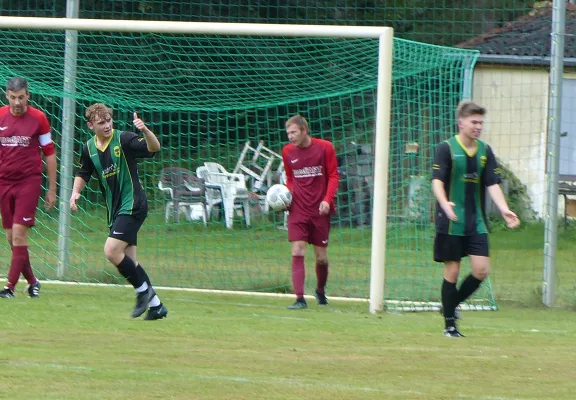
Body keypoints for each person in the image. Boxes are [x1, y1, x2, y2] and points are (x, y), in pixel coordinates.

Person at [70, 103, 167, 320]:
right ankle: (157, 306)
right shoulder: (89, 148)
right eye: (101, 122)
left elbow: (154, 147)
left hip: (133, 204)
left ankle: (143, 292)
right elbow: (84, 171)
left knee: (111, 250)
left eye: (109, 120)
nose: (107, 125)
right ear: (90, 125)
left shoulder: (123, 139)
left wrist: (145, 131)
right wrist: (75, 192)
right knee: (129, 263)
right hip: (116, 210)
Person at [432, 101, 520, 337]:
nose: (478, 126)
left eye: (481, 122)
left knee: (481, 270)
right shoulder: (446, 148)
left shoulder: (485, 150)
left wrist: (504, 209)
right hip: (451, 220)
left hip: (476, 222)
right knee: (452, 271)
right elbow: (437, 180)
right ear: (461, 122)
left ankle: (449, 305)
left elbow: (492, 183)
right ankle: (450, 325)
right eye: (474, 122)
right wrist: (444, 203)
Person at [0, 77, 57, 299]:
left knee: (19, 236)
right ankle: (33, 282)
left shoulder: (38, 119)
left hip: (28, 182)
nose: (17, 102)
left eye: (21, 97)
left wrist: (51, 189)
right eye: (13, 97)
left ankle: (9, 288)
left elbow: (50, 154)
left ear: (28, 96)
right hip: (4, 182)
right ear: (7, 96)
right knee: (11, 238)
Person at [281, 115, 339, 309]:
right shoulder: (287, 151)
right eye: (288, 133)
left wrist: (327, 200)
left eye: (293, 132)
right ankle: (299, 299)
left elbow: (333, 176)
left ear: (304, 130)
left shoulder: (325, 147)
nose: (290, 137)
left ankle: (320, 291)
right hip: (297, 208)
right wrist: (287, 196)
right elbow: (290, 178)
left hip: (320, 209)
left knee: (321, 257)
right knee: (297, 249)